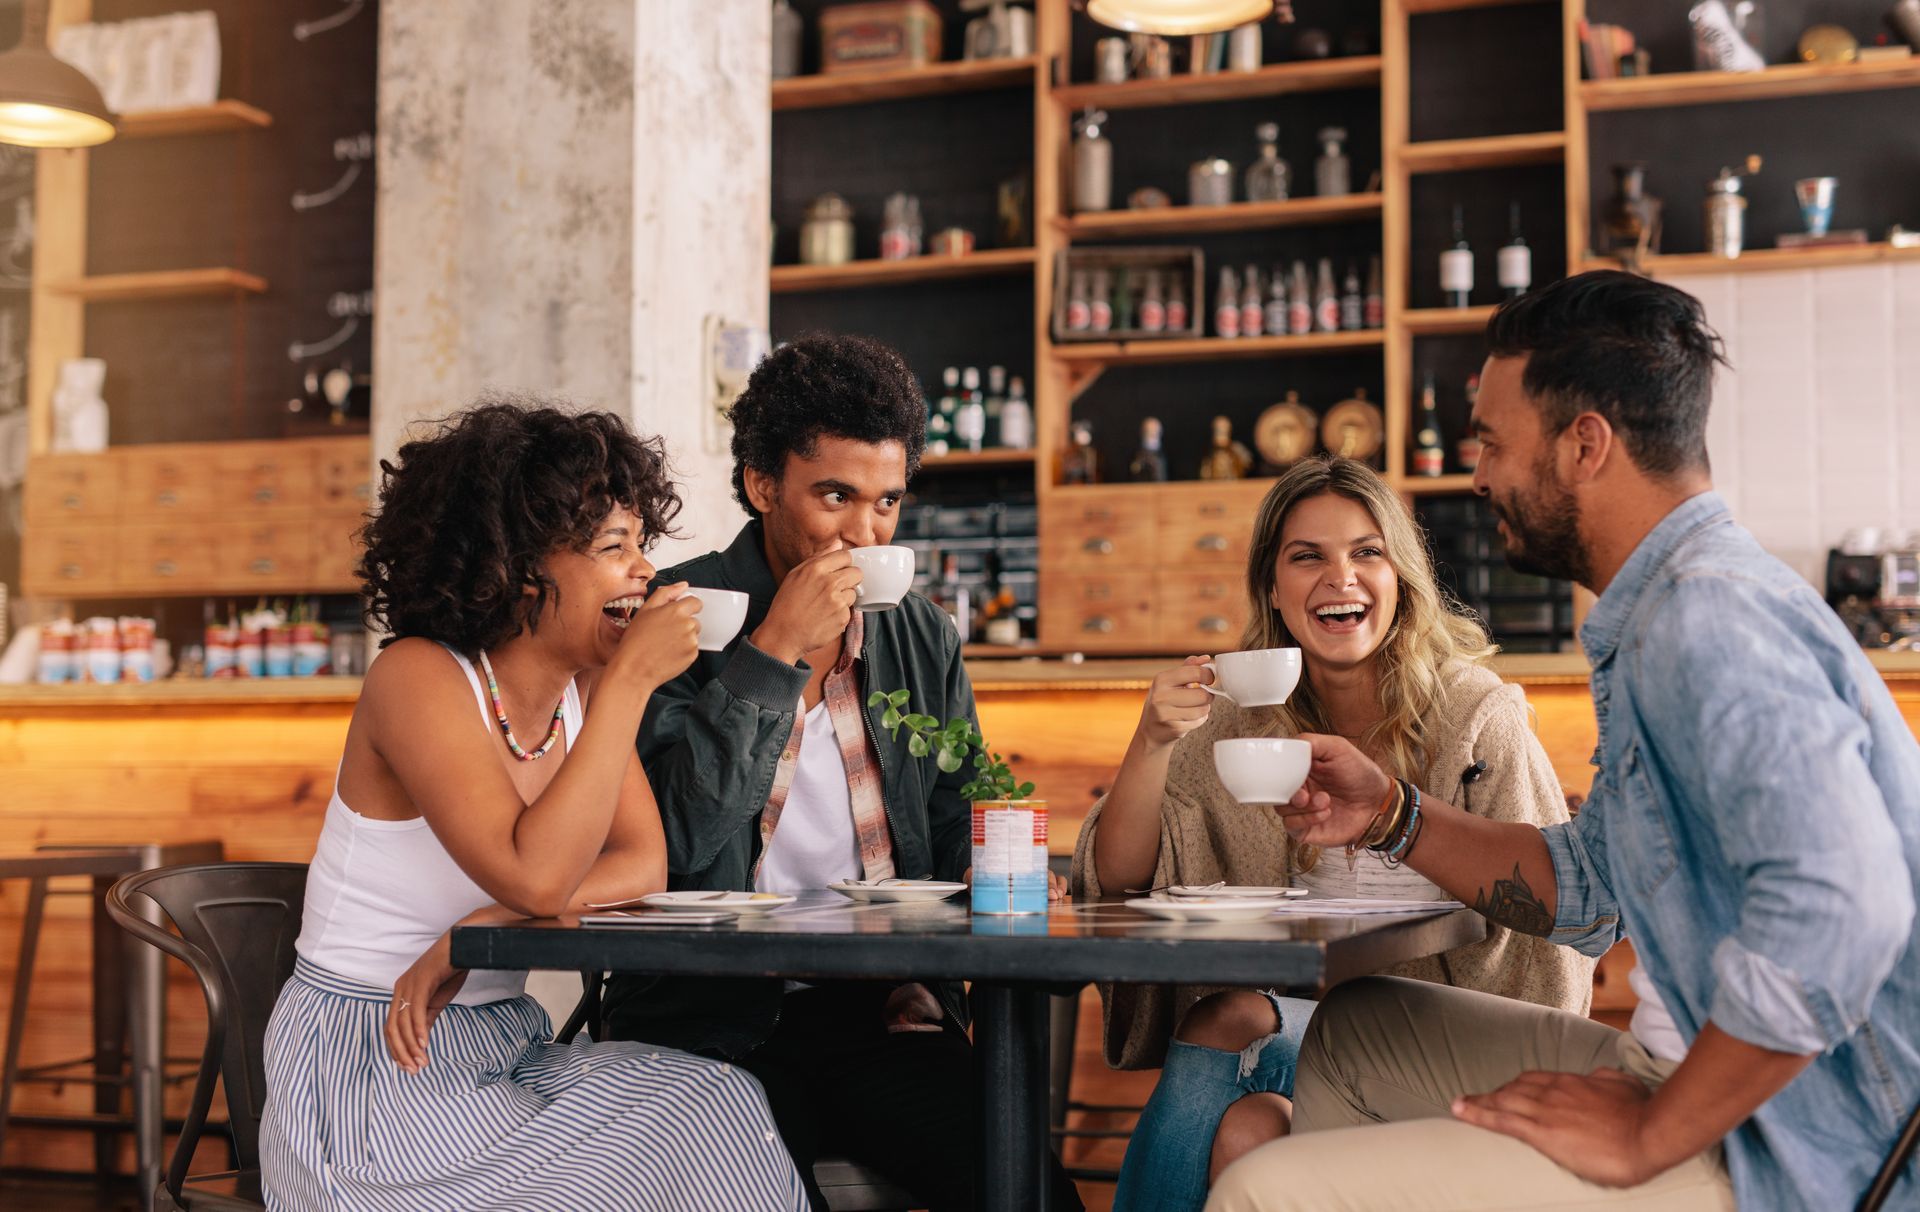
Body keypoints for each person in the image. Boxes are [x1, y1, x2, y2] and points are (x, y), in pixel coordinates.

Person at [1208, 270, 1920, 1211]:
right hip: (1706, 1074)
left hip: (1803, 1142)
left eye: (1495, 444)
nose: (1479, 476)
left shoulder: (1705, 622)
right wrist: (1390, 813)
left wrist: (1647, 1136)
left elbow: (1842, 908)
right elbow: (1588, 892)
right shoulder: (1674, 601)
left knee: (1262, 1187)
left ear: (1585, 444)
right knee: (1358, 1025)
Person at [259, 402, 806, 1212]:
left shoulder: (580, 691)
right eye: (614, 548)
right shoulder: (417, 677)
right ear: (518, 567)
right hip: (372, 1066)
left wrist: (471, 937)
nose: (644, 571)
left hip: (499, 1047)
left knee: (716, 1102)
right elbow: (538, 878)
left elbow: (640, 865)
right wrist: (631, 681)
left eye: (641, 543)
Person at [600, 333, 1080, 1212]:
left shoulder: (921, 636)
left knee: (1029, 1191)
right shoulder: (677, 616)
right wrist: (775, 648)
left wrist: (991, 865)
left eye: (888, 501)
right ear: (760, 484)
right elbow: (671, 842)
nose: (866, 532)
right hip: (711, 1023)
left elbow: (955, 813)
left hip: (880, 1017)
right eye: (836, 496)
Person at [1072, 455, 1595, 1212]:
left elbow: (1547, 927)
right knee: (1252, 1126)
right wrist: (1149, 742)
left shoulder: (1475, 718)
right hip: (1308, 1050)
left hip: (1448, 1048)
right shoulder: (1240, 722)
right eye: (1307, 556)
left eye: (1366, 553)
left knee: (1230, 1015)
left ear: (1401, 580)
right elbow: (1116, 879)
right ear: (1274, 591)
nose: (1339, 577)